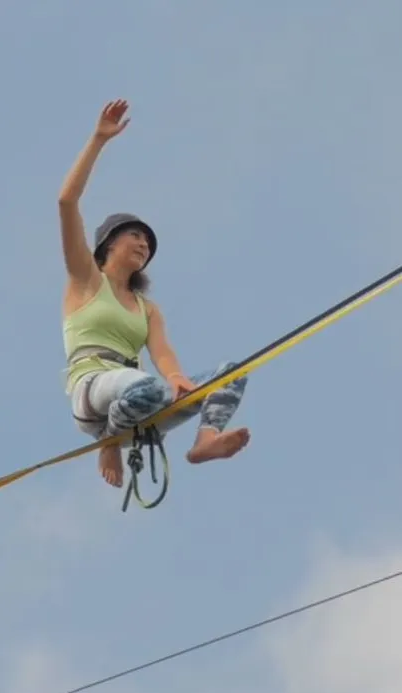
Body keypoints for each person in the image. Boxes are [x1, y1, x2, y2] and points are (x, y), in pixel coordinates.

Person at [59, 99, 250, 489]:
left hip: (137, 403)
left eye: (148, 241)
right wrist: (98, 140)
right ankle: (108, 441)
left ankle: (204, 442)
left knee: (230, 372)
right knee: (145, 385)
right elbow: (66, 203)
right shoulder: (85, 280)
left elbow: (162, 354)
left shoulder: (147, 309)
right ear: (108, 244)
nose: (144, 243)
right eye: (135, 235)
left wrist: (180, 380)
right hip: (93, 392)